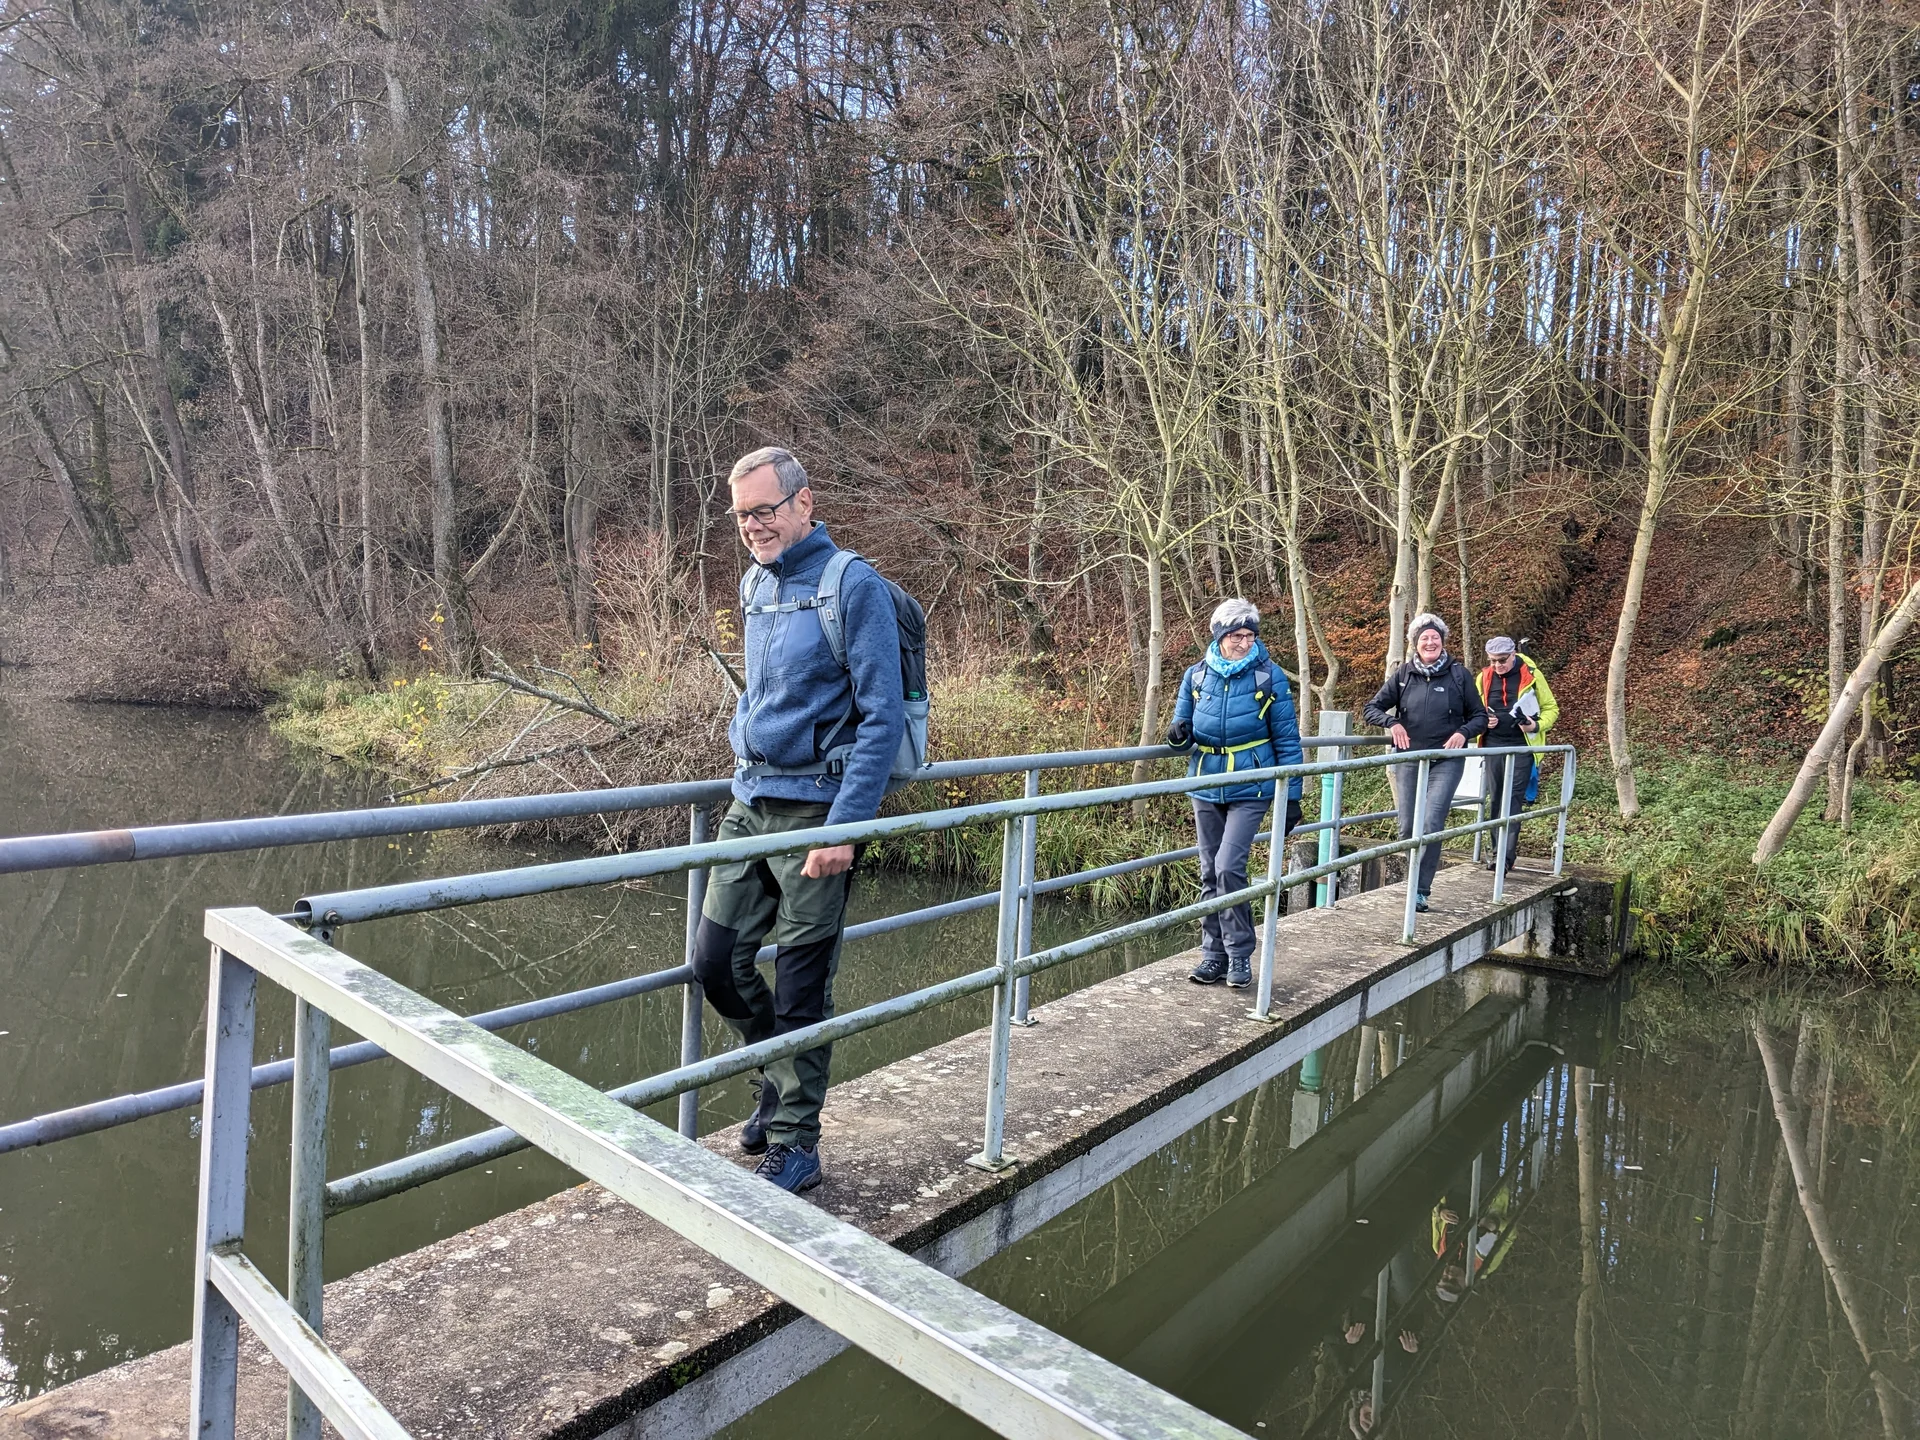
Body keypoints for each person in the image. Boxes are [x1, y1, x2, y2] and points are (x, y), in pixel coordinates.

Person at [690, 445, 903, 1194]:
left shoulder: (854, 586)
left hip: (818, 810)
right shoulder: (755, 583)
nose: (752, 526)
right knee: (715, 963)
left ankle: (797, 1147)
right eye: (741, 515)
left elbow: (880, 719)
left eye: (764, 510)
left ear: (803, 503)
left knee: (801, 986)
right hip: (750, 802)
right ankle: (776, 1078)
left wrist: (845, 826)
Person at [1166, 599, 1305, 989]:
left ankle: (1240, 953)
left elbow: (1287, 740)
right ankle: (1213, 956)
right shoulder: (1196, 676)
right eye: (1236, 636)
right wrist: (1177, 736)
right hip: (1206, 784)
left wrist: (1292, 797)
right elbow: (1182, 729)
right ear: (1219, 637)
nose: (1244, 643)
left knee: (1228, 867)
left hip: (1252, 785)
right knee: (1209, 870)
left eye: (1249, 635)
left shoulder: (1268, 677)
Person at [1362, 613, 1486, 913]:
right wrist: (1392, 723)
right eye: (1424, 638)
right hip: (1409, 758)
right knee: (1407, 828)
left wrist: (1463, 733)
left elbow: (1480, 717)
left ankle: (1419, 890)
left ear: (1442, 641)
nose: (1430, 642)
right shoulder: (1404, 674)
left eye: (1435, 637)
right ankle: (1414, 878)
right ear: (1415, 644)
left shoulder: (1458, 675)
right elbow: (1371, 708)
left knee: (1431, 823)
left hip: (1445, 760)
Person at [1475, 636, 1559, 871]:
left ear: (1513, 655)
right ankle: (1496, 852)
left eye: (1502, 660)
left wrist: (1536, 725)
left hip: (1522, 746)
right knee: (1496, 799)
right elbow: (1473, 711)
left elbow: (1551, 708)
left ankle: (1505, 857)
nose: (1497, 666)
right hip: (1493, 745)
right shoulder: (1484, 677)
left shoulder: (1531, 675)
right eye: (1492, 661)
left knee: (1512, 799)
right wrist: (1483, 721)